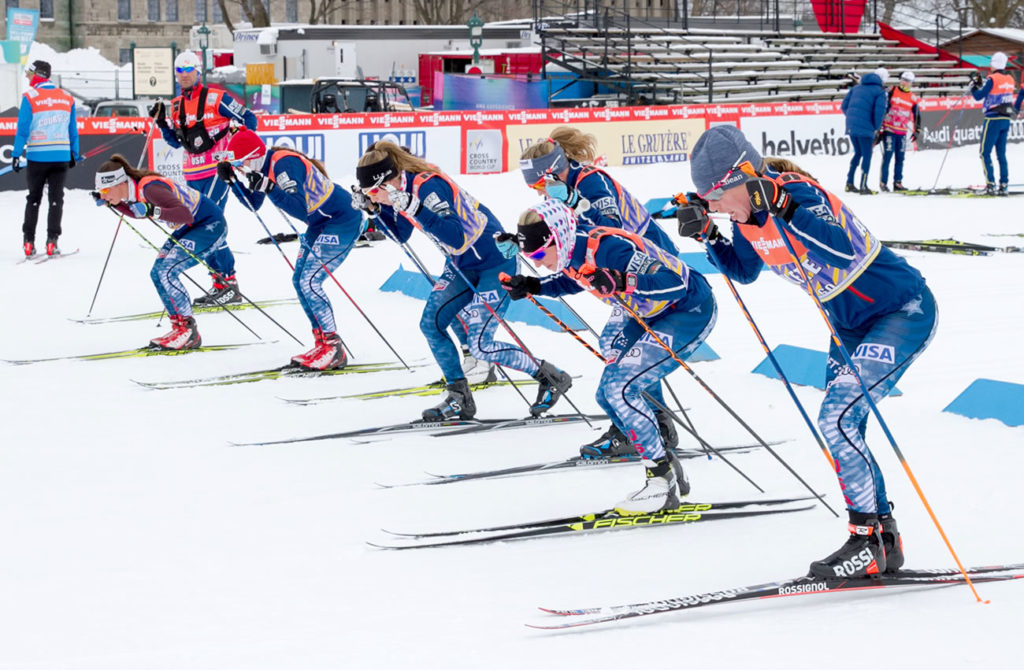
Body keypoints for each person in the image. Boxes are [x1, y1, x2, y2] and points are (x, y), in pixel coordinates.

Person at [684, 125, 937, 577]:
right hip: (848, 326)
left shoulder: (798, 193)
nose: (714, 207)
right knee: (844, 424)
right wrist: (710, 235)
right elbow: (744, 271)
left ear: (741, 179)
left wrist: (787, 209)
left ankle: (867, 541)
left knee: (836, 418)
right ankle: (882, 540)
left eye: (715, 198)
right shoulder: (749, 215)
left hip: (902, 310)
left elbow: (843, 252)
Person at [499, 200, 716, 513]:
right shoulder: (570, 250)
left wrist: (622, 280)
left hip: (689, 309)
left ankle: (660, 480)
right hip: (647, 311)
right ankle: (658, 444)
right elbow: (573, 278)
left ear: (556, 239)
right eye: (528, 256)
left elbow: (675, 284)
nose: (537, 262)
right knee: (607, 392)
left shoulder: (610, 250)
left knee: (620, 389)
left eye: (537, 255)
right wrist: (534, 285)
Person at [353, 141, 572, 421]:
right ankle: (459, 396)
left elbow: (455, 235)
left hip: (494, 262)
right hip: (461, 264)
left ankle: (550, 376)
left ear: (388, 181)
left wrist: (416, 208)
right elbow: (400, 234)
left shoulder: (428, 185)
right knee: (431, 324)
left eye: (373, 192)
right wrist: (375, 210)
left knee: (481, 343)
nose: (374, 196)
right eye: (367, 194)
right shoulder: (400, 190)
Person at [519, 128, 681, 459]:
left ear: (552, 172)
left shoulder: (590, 182)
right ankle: (654, 421)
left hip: (650, 265)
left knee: (618, 343)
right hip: (625, 266)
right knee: (621, 345)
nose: (540, 193)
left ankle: (643, 425)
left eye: (539, 185)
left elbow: (612, 225)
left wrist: (576, 203)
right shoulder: (562, 188)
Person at [217, 129, 361, 370]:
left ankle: (334, 348)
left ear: (252, 157)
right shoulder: (260, 167)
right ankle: (322, 342)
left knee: (310, 282)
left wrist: (270, 188)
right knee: (299, 280)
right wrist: (233, 183)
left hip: (341, 219)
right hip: (320, 222)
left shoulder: (283, 165)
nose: (240, 168)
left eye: (240, 164)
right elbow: (253, 205)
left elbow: (300, 209)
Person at [149, 51, 258, 304]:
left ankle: (228, 281)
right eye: (180, 70)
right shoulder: (176, 105)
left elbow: (249, 120)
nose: (184, 74)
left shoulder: (216, 97)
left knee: (206, 224)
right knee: (201, 226)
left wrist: (237, 151)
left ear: (198, 71)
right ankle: (220, 282)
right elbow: (175, 143)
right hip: (192, 173)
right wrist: (162, 122)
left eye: (189, 69)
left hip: (217, 171)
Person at [93, 155, 228, 350]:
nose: (103, 195)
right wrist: (115, 203)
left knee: (166, 271)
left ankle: (188, 331)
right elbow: (138, 212)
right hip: (192, 227)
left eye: (105, 191)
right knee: (157, 272)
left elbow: (184, 214)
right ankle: (179, 326)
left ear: (120, 183)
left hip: (210, 225)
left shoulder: (150, 188)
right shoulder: (134, 189)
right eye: (100, 192)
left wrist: (151, 209)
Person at [12, 60, 79, 258]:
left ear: (38, 74)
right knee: (56, 199)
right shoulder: (67, 97)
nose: (27, 76)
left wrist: (16, 154)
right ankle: (52, 241)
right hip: (60, 155)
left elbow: (23, 129)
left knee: (34, 199)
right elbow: (73, 129)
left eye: (29, 73)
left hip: (37, 156)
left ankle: (28, 242)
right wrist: (74, 153)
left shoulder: (30, 97)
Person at [971, 51, 1017, 196]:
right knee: (1001, 154)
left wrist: (973, 86)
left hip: (992, 119)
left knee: (984, 153)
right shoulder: (1010, 79)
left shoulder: (992, 78)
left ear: (995, 64)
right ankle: (1004, 185)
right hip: (1005, 119)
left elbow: (979, 96)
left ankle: (990, 184)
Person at [841, 67, 888, 195]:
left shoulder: (856, 88)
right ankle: (863, 185)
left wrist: (853, 118)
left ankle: (849, 183)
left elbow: (844, 106)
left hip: (851, 125)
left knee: (858, 153)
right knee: (867, 155)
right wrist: (876, 128)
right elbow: (879, 113)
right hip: (866, 128)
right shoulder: (879, 92)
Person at [878, 71, 922, 192]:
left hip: (902, 132)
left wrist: (917, 129)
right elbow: (883, 106)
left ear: (911, 83)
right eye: (903, 80)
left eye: (908, 81)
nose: (905, 83)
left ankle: (898, 182)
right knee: (887, 156)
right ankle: (883, 183)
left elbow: (917, 114)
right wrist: (880, 127)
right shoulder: (892, 91)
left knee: (900, 158)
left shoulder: (913, 98)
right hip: (889, 129)